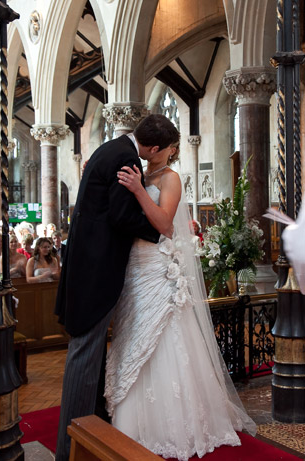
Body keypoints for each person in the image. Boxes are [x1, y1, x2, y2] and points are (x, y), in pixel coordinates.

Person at [109, 141, 255, 459]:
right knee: (136, 338)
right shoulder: (140, 171)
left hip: (157, 264)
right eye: (145, 143)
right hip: (135, 266)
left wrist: (137, 190)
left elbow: (164, 225)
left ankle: (175, 423)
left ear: (171, 149)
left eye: (156, 145)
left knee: (168, 339)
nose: (148, 149)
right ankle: (132, 421)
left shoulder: (170, 177)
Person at [53, 114, 177, 461]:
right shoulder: (124, 158)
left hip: (86, 265)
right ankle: (70, 448)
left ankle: (90, 431)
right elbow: (121, 217)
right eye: (166, 149)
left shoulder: (110, 149)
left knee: (90, 353)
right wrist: (159, 233)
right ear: (154, 147)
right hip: (97, 271)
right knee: (85, 353)